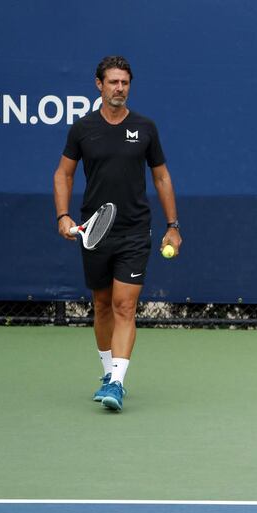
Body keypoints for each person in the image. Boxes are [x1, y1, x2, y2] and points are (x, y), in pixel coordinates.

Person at [53, 56, 182, 412]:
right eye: (112, 82)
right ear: (99, 85)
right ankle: (108, 373)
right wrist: (63, 216)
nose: (119, 89)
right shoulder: (82, 129)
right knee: (102, 306)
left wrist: (173, 226)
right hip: (94, 231)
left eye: (124, 83)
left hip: (134, 231)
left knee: (125, 306)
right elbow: (63, 175)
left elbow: (161, 177)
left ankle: (117, 383)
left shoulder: (145, 128)